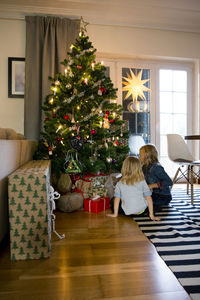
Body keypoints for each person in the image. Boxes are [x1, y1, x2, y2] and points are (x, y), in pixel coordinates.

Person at [107, 156, 160, 221]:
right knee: (152, 200)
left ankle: (119, 211)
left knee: (114, 200)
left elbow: (117, 199)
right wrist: (152, 215)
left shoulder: (119, 183)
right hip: (141, 212)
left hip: (127, 212)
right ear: (138, 168)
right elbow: (148, 198)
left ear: (124, 168)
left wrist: (115, 214)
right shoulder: (142, 181)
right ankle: (150, 211)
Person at [139, 144, 172, 211]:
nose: (139, 157)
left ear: (147, 156)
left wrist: (152, 185)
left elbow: (169, 182)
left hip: (163, 196)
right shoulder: (144, 167)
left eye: (140, 155)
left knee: (145, 203)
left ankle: (153, 208)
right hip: (153, 194)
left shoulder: (157, 168)